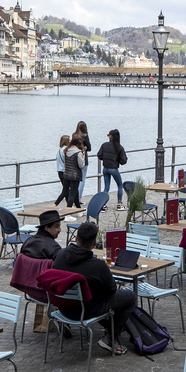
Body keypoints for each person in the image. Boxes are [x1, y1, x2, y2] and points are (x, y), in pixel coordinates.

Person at [52, 221, 136, 355]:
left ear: (75, 238)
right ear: (94, 243)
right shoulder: (98, 266)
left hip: (63, 309)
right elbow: (112, 290)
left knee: (100, 295)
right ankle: (111, 337)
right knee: (130, 296)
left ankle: (111, 327)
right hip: (85, 311)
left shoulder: (61, 255)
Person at [97, 129, 128, 207]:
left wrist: (105, 158)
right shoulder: (119, 147)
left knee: (106, 187)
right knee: (120, 185)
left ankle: (103, 204)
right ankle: (119, 203)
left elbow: (99, 155)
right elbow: (124, 160)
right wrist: (118, 161)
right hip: (114, 168)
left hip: (105, 168)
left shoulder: (104, 145)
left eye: (108, 135)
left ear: (111, 136)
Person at [59, 135, 86, 208]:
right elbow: (81, 165)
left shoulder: (67, 150)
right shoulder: (78, 153)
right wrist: (83, 157)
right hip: (75, 175)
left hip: (67, 174)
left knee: (71, 192)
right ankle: (68, 212)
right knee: (72, 194)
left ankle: (78, 209)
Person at [52, 134, 73, 206]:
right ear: (66, 141)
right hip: (65, 171)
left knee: (66, 190)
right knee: (66, 190)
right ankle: (55, 204)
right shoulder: (66, 150)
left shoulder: (59, 151)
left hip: (59, 171)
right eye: (69, 140)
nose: (70, 141)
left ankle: (69, 206)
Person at [74, 121, 92, 202]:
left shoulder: (74, 135)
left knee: (76, 179)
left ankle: (75, 197)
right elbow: (89, 148)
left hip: (74, 158)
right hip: (83, 158)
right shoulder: (85, 136)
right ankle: (79, 198)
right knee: (82, 179)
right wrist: (85, 148)